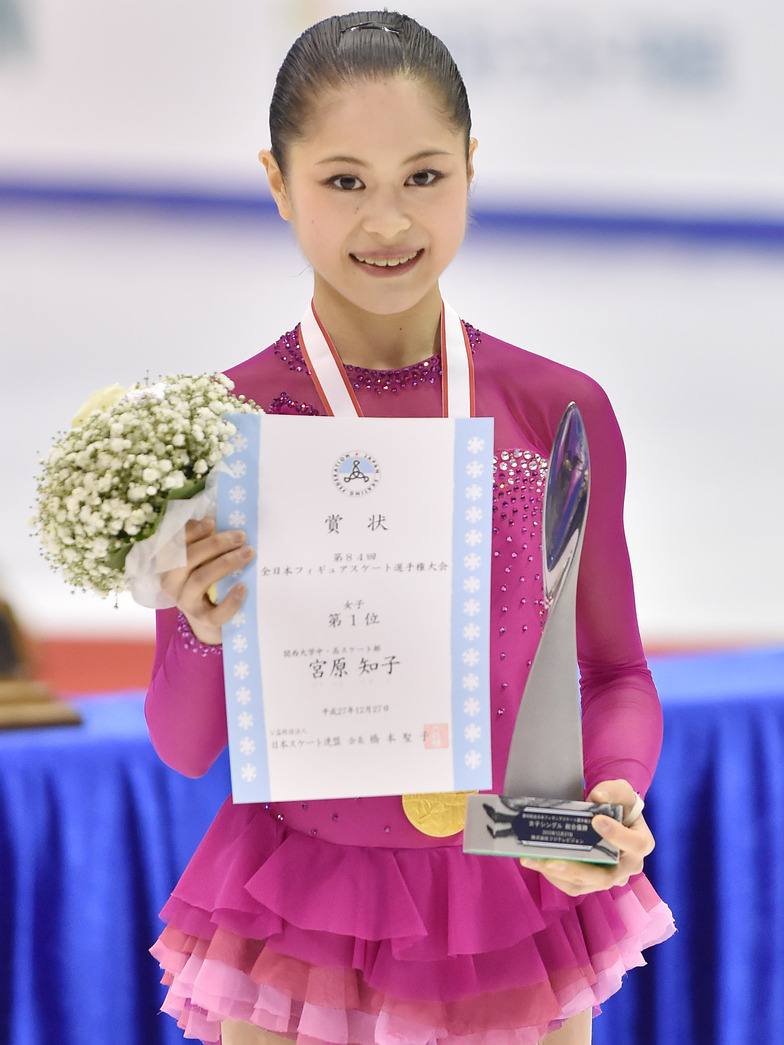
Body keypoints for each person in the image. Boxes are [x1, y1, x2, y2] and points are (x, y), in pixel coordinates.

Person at [145, 11, 675, 1045]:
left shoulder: (556, 409)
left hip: (508, 886)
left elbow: (615, 674)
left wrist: (609, 796)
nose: (388, 221)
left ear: (472, 168)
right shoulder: (224, 428)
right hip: (297, 914)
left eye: (423, 176)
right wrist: (201, 632)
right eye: (344, 180)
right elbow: (181, 741)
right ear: (275, 180)